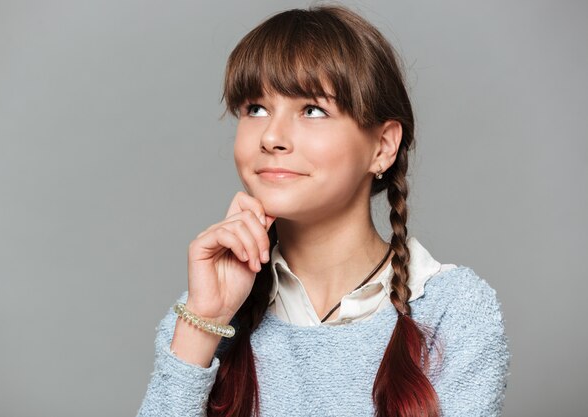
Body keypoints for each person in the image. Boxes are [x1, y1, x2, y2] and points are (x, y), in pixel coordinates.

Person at [136, 4, 511, 417]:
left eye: (312, 110)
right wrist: (204, 322)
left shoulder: (451, 310)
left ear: (383, 146)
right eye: (255, 108)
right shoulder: (202, 314)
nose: (272, 137)